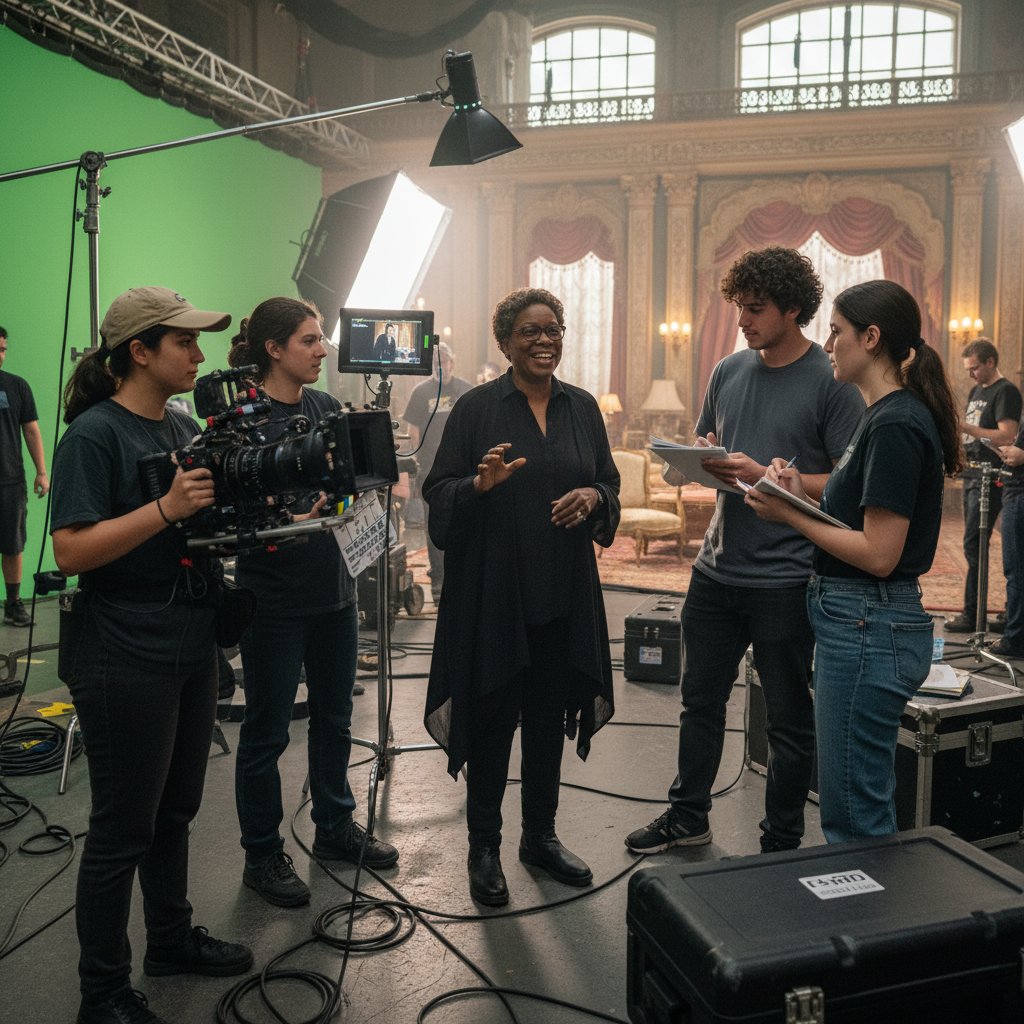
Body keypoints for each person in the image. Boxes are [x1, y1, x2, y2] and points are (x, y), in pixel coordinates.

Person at [49, 287, 252, 1024]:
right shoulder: (94, 436)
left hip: (190, 641)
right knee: (122, 828)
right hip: (123, 650)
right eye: (185, 344)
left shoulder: (183, 423)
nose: (200, 357)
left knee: (175, 811)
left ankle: (169, 939)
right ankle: (101, 994)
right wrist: (166, 508)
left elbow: (198, 524)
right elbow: (70, 551)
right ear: (140, 351)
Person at [625, 247, 864, 857]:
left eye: (755, 310)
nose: (743, 321)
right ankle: (687, 817)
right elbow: (711, 446)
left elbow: (849, 483)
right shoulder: (728, 370)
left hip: (788, 576)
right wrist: (695, 459)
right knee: (698, 700)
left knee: (786, 721)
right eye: (738, 309)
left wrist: (775, 477)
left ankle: (780, 840)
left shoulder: (831, 380)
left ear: (793, 309)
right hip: (716, 569)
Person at [423, 287, 620, 906]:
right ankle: (484, 846)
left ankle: (540, 837)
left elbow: (607, 480)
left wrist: (595, 498)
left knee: (543, 719)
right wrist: (477, 487)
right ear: (505, 341)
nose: (545, 339)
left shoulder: (582, 407)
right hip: (495, 596)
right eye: (531, 330)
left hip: (563, 592)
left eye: (554, 329)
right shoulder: (476, 410)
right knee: (489, 721)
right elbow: (438, 489)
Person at [746, 280, 960, 843]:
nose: (827, 343)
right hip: (862, 620)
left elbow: (880, 554)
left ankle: (863, 925)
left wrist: (788, 517)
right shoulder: (883, 414)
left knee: (853, 813)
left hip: (869, 622)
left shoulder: (894, 423)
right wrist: (800, 493)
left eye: (836, 332)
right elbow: (858, 522)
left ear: (871, 338)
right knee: (851, 797)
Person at [230, 296, 398, 909]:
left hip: (334, 592)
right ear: (274, 349)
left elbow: (349, 485)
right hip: (272, 600)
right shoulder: (240, 417)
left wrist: (345, 505)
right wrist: (285, 517)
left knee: (334, 718)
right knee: (268, 731)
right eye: (309, 339)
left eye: (321, 337)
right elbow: (227, 503)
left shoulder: (326, 407)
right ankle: (261, 853)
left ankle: (333, 827)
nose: (322, 348)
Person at [945, 338, 1021, 632]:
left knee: (976, 544)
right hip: (973, 473)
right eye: (968, 369)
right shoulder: (978, 391)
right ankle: (979, 611)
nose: (970, 374)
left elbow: (1005, 436)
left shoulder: (1006, 392)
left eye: (975, 368)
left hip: (991, 476)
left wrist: (963, 427)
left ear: (991, 362)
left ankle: (973, 614)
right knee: (972, 544)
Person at [401, 340, 473, 603]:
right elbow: (414, 431)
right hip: (431, 468)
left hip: (464, 470)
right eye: (434, 364)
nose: (439, 367)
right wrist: (415, 461)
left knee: (465, 523)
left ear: (452, 363)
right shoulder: (421, 392)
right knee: (436, 526)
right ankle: (439, 582)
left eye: (443, 362)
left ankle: (463, 578)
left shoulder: (467, 389)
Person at [0, 325, 49, 626]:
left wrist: (42, 472)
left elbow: (31, 430)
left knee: (12, 544)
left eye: (2, 349)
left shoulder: (17, 386)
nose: (0, 355)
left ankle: (13, 603)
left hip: (9, 482)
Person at [990, 424, 1024, 658]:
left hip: (1020, 491)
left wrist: (1016, 453)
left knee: (1017, 571)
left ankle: (1015, 638)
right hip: (1016, 489)